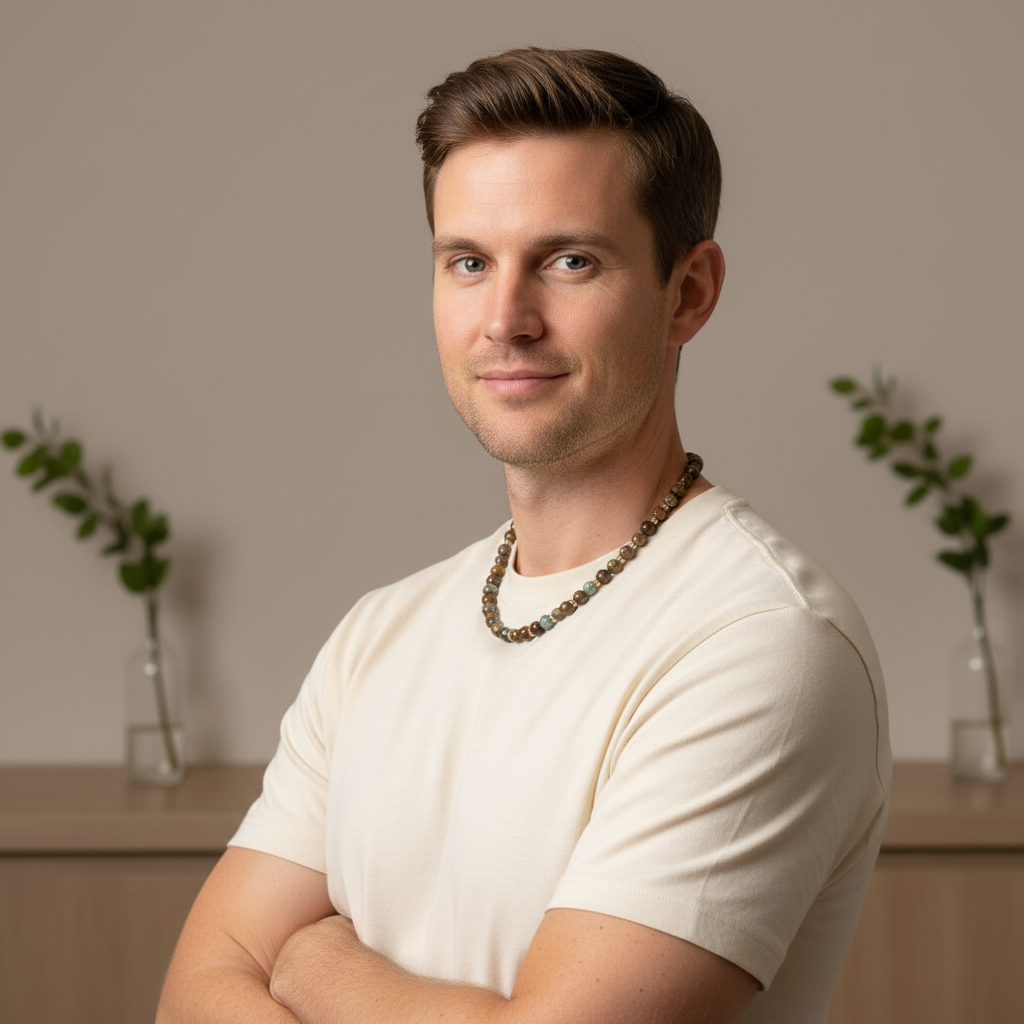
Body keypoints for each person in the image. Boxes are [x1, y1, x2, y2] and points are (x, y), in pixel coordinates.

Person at [157, 47, 890, 1024]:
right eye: (468, 261)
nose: (505, 318)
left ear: (688, 294)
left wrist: (309, 961)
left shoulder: (761, 642)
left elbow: (258, 967)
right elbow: (192, 996)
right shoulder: (381, 633)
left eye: (568, 260)